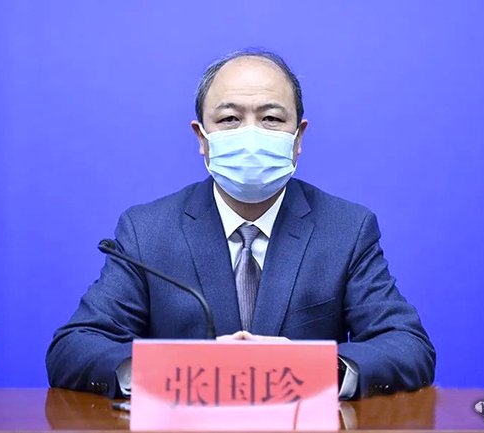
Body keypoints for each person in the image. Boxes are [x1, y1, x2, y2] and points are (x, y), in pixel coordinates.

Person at [46, 49, 436, 400]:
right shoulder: (147, 231)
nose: (251, 134)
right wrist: (169, 370)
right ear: (202, 138)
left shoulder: (346, 229)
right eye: (230, 119)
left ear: (298, 137)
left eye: (271, 118)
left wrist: (315, 367)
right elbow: (74, 346)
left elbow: (407, 345)